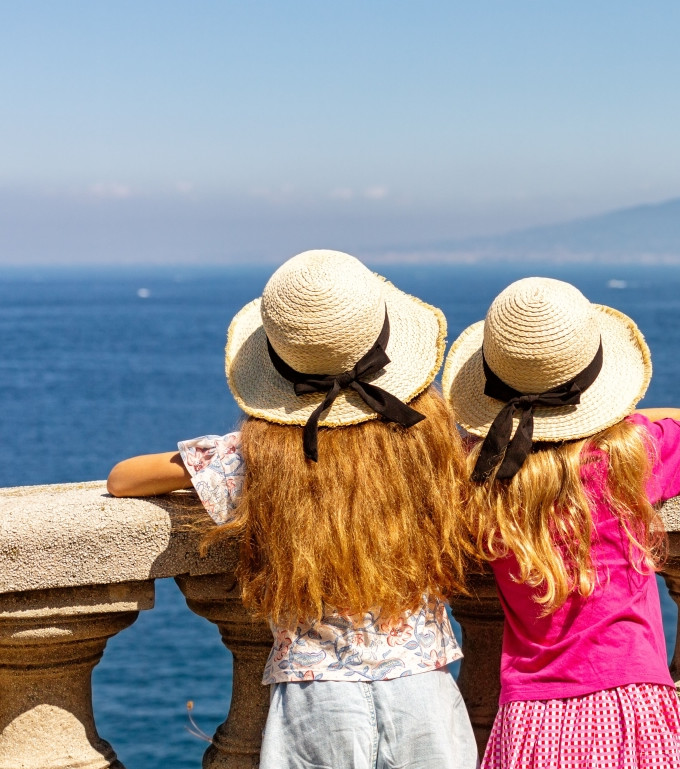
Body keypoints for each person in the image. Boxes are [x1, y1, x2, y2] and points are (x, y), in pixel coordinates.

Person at [107, 250, 477, 769]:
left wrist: (221, 452)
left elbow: (124, 478)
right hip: (423, 687)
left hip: (315, 694)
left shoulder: (257, 459)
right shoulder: (431, 441)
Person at [441, 277, 680, 769]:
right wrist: (615, 420)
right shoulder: (631, 457)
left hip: (533, 716)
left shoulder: (483, 479)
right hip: (634, 704)